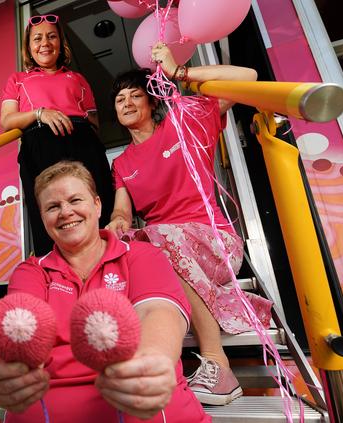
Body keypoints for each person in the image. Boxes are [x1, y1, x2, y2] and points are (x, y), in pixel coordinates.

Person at [106, 43, 272, 405]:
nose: (128, 103)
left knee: (157, 238)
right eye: (120, 100)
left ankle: (218, 365)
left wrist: (179, 73)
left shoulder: (184, 121)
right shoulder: (121, 163)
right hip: (164, 248)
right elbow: (122, 211)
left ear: (152, 103)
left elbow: (248, 78)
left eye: (136, 95)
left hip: (214, 242)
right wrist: (117, 223)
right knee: (123, 247)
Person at [0, 161, 209, 423]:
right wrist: (18, 367)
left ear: (98, 205)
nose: (65, 212)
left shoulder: (140, 255)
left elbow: (157, 310)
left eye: (75, 200)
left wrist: (150, 362)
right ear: (43, 219)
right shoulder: (32, 271)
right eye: (53, 207)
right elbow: (25, 327)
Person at [1, 14, 114, 256]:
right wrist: (40, 114)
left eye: (52, 36)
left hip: (81, 141)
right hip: (40, 144)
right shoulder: (18, 80)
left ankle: (109, 265)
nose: (45, 43)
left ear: (60, 43)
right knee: (50, 214)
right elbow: (7, 121)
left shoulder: (78, 78)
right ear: (29, 47)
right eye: (37, 38)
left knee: (98, 205)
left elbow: (93, 122)